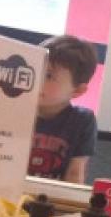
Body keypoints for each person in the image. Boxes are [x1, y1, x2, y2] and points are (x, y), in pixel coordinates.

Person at [27, 34, 98, 184]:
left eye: (48, 76)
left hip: (52, 196)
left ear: (77, 90)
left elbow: (75, 174)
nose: (36, 79)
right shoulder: (14, 108)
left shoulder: (82, 121)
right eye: (35, 70)